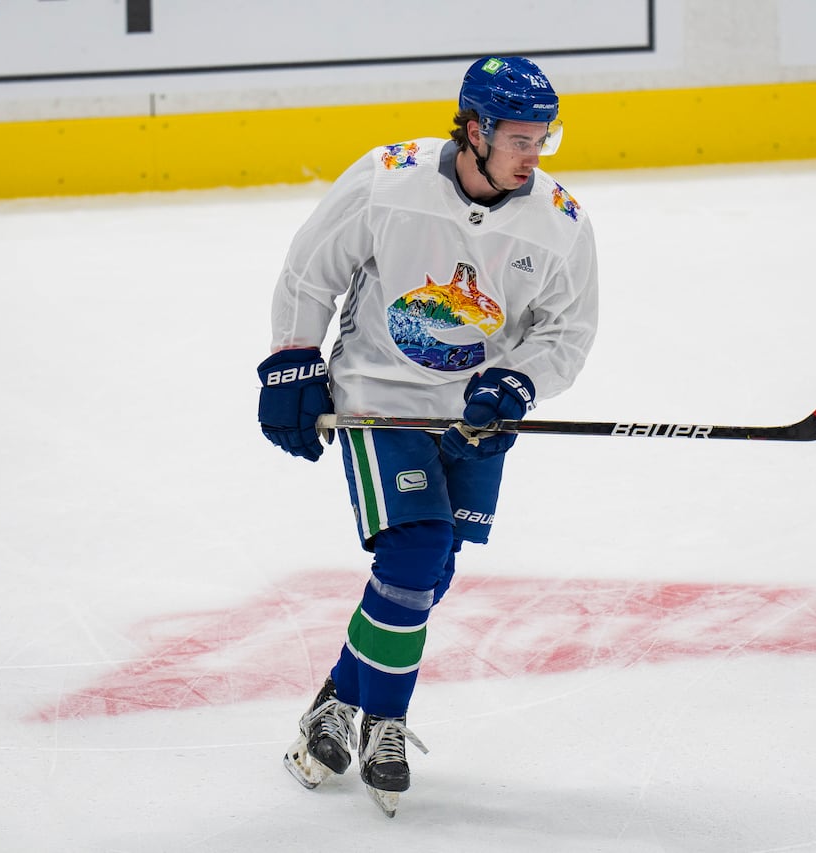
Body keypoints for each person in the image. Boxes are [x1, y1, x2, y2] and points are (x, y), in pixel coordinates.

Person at [256, 55, 599, 816]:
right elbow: (311, 273)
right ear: (473, 130)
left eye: (544, 139)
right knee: (412, 554)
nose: (532, 156)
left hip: (474, 416)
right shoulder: (390, 179)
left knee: (430, 573)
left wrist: (520, 381)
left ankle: (336, 702)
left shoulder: (560, 219)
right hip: (379, 401)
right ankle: (386, 720)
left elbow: (567, 332)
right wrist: (291, 360)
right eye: (517, 139)